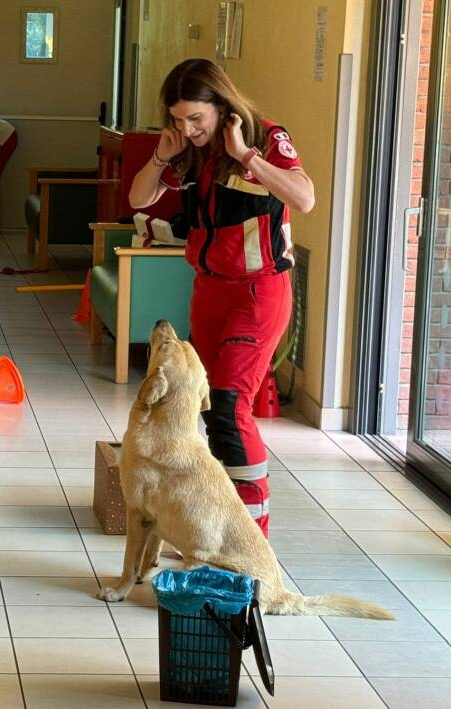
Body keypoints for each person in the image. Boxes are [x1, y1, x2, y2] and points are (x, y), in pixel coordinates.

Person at [128, 58, 315, 536]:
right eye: (177, 119)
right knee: (208, 409)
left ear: (222, 105)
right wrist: (160, 156)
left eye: (196, 118)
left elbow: (304, 197)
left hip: (258, 292)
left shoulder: (262, 136)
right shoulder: (189, 151)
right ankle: (216, 520)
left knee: (231, 405)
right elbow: (138, 200)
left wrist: (248, 157)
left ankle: (252, 538)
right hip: (209, 290)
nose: (188, 129)